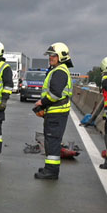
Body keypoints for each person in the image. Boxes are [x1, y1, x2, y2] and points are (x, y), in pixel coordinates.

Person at [33, 42, 73, 180]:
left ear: (61, 56)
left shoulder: (60, 71)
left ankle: (51, 171)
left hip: (57, 112)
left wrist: (42, 103)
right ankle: (49, 168)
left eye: (53, 55)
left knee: (53, 141)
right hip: (55, 111)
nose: (50, 58)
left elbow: (55, 94)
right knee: (50, 140)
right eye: (50, 55)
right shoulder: (57, 70)